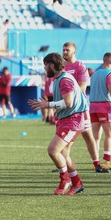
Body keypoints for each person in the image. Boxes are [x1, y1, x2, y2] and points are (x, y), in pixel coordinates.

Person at [28, 52, 85, 195]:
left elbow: (68, 102)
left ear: (51, 65)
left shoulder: (65, 80)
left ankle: (65, 179)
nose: (44, 69)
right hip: (66, 120)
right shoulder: (59, 79)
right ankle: (77, 184)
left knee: (53, 150)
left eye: (45, 65)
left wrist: (47, 104)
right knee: (64, 154)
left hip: (73, 121)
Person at [63, 42, 105, 172]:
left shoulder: (80, 66)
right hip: (65, 108)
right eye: (63, 50)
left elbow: (82, 87)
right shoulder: (61, 67)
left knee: (88, 135)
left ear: (74, 52)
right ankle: (65, 163)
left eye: (67, 50)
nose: (64, 52)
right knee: (65, 137)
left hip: (80, 107)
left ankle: (96, 163)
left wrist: (70, 98)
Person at [89, 53, 111, 170]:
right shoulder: (109, 74)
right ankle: (107, 160)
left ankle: (96, 162)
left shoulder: (95, 74)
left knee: (96, 136)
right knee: (109, 134)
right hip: (104, 106)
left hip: (93, 106)